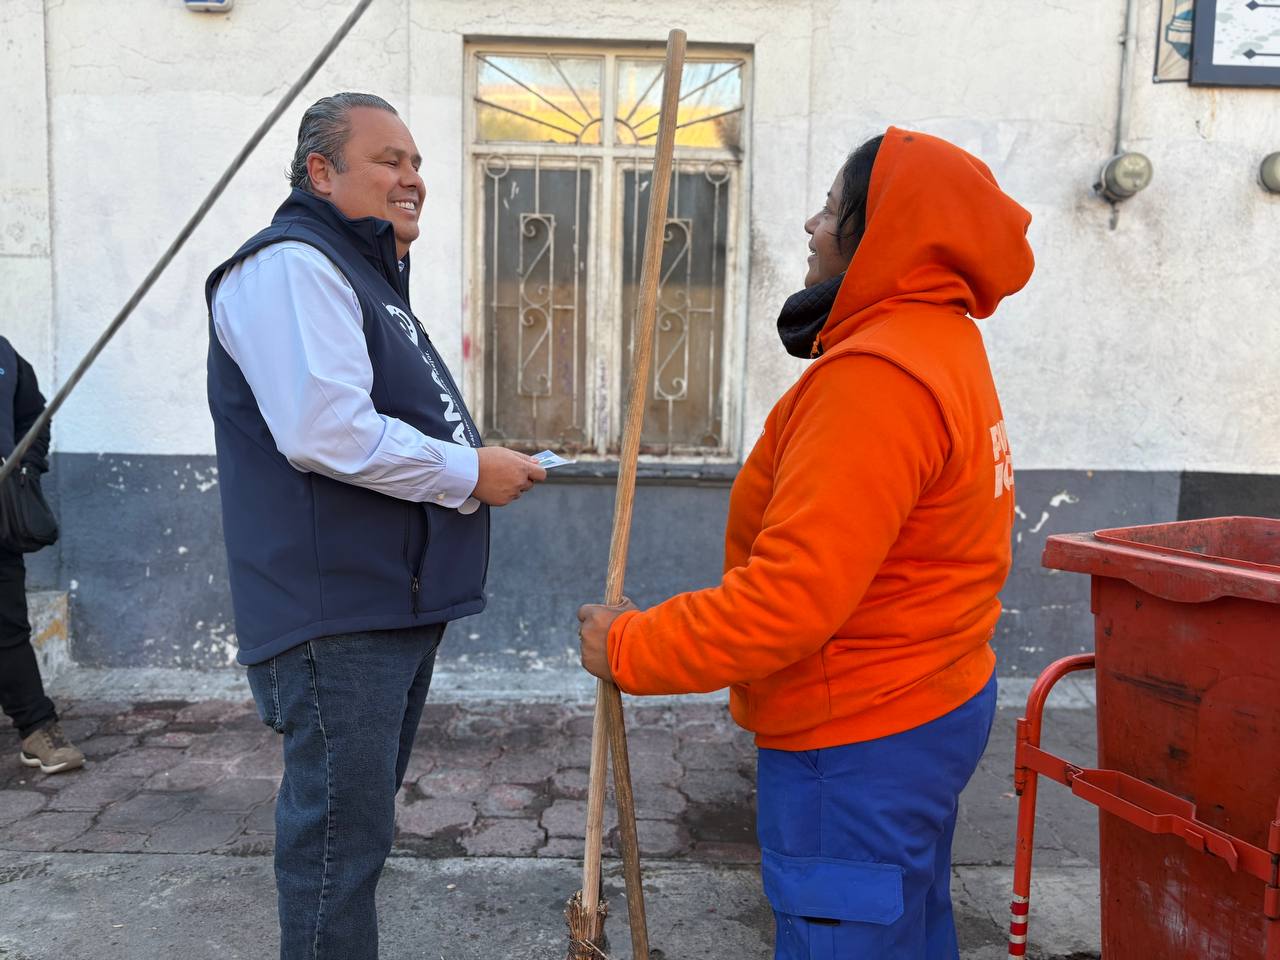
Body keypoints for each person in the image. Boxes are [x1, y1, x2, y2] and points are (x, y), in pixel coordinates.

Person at [578, 127, 1034, 959]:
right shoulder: (941, 340)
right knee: (905, 930)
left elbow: (789, 600)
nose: (811, 227)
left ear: (880, 233)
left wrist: (631, 646)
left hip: (860, 737)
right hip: (928, 701)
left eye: (830, 210)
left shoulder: (877, 378)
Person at [205, 92, 546, 960]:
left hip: (383, 606)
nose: (412, 178)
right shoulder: (292, 266)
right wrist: (470, 471)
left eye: (417, 162)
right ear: (321, 172)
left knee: (354, 839)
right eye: (389, 160)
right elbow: (326, 433)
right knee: (337, 851)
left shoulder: (359, 271)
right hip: (338, 615)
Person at [0, 336, 84, 775]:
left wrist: (24, 469)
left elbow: (33, 417)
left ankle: (37, 728)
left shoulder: (5, 357)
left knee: (8, 625)